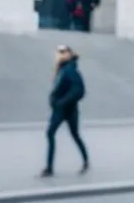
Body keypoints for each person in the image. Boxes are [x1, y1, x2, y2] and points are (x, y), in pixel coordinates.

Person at [42, 45, 89, 177]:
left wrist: (63, 102)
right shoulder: (62, 70)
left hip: (68, 109)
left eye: (63, 52)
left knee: (74, 135)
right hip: (60, 109)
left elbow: (79, 90)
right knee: (51, 133)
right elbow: (58, 89)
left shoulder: (71, 70)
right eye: (58, 52)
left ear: (69, 54)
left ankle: (85, 161)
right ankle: (49, 168)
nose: (60, 54)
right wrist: (53, 100)